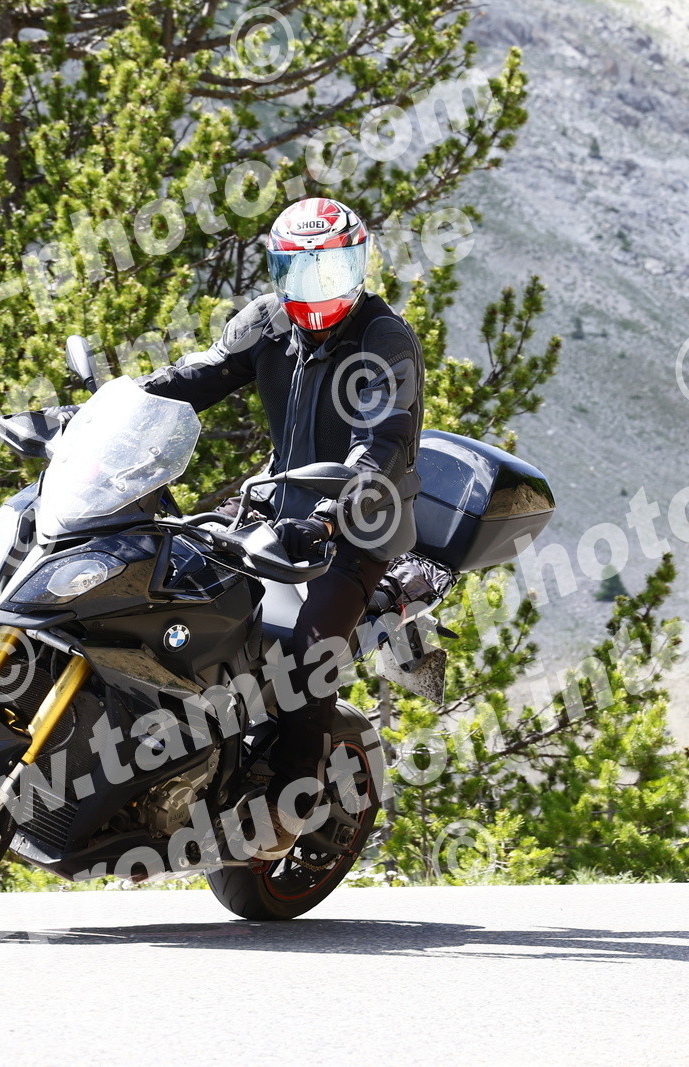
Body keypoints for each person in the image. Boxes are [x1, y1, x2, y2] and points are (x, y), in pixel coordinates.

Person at [138, 197, 425, 860]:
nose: (315, 288)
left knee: (305, 651)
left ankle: (293, 802)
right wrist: (113, 406)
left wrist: (330, 516)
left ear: (357, 268)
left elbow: (379, 445)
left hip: (357, 527)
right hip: (274, 506)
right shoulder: (267, 322)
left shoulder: (383, 340)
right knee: (168, 584)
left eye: (331, 271)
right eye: (300, 271)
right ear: (278, 270)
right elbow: (197, 375)